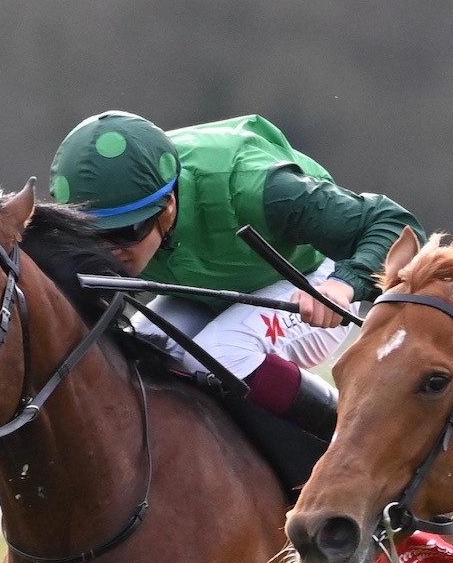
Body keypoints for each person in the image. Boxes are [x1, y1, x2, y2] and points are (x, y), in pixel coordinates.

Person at [49, 110, 418, 444]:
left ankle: (358, 448)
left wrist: (342, 285)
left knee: (220, 355)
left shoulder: (260, 188)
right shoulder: (122, 211)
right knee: (139, 355)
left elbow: (391, 221)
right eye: (92, 235)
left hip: (310, 281)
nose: (110, 252)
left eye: (126, 232)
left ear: (169, 205)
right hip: (207, 290)